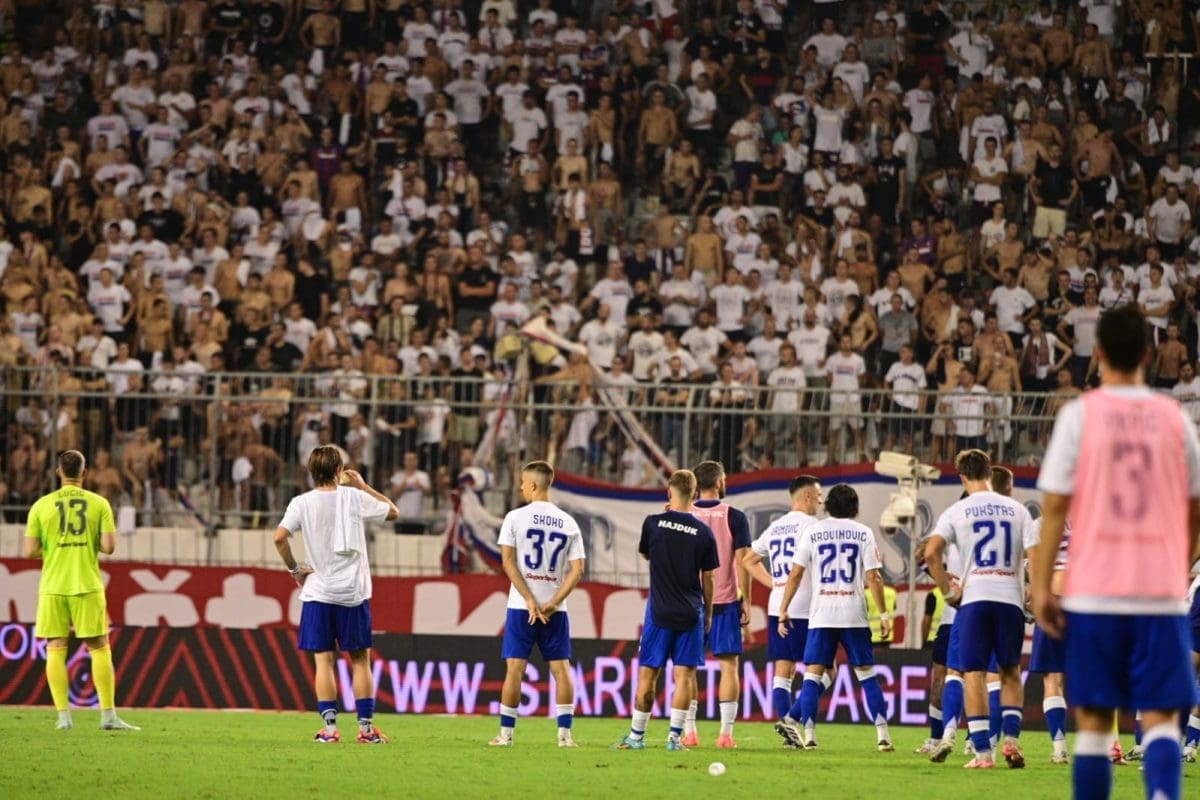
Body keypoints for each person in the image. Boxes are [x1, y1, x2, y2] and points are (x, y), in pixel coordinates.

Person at [1034, 305, 1200, 800]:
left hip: (1094, 592)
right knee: (1163, 716)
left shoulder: (1079, 416)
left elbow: (1056, 508)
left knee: (1093, 724)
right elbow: (1196, 507)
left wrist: (1042, 587)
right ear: (1150, 354)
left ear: (1098, 353)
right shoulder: (1175, 418)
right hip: (1160, 592)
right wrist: (1181, 564)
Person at [273, 445, 399, 744]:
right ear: (340, 470)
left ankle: (329, 731)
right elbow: (393, 512)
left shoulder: (301, 502)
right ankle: (366, 731)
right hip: (352, 592)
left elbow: (279, 537)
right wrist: (362, 485)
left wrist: (295, 568)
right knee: (360, 660)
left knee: (324, 661)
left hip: (318, 592)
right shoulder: (354, 497)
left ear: (311, 471)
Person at [926, 449, 1036, 769]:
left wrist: (948, 594)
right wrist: (1035, 592)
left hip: (974, 600)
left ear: (962, 477)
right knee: (1010, 671)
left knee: (972, 673)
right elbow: (1036, 556)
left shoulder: (957, 510)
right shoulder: (1018, 510)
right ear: (991, 472)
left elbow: (932, 554)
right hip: (1010, 600)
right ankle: (1012, 742)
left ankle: (983, 755)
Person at [24, 450, 139, 731]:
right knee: (99, 647)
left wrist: (55, 547)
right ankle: (108, 716)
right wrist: (87, 542)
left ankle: (64, 718)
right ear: (84, 473)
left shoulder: (41, 506)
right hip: (86, 584)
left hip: (53, 587)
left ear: (58, 472)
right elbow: (110, 547)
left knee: (55, 648)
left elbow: (29, 552)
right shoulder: (99, 504)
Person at [775, 484, 894, 752]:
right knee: (867, 676)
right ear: (854, 507)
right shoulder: (863, 533)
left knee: (812, 677)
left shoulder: (813, 532)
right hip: (853, 613)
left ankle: (809, 735)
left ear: (827, 505)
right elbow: (873, 577)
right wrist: (884, 613)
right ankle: (883, 736)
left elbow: (795, 574)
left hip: (822, 614)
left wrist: (784, 608)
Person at [614, 469, 718, 752]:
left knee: (649, 675)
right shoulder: (704, 532)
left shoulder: (653, 523)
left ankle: (636, 737)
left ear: (668, 492)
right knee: (684, 678)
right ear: (696, 495)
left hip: (659, 613)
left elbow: (648, 553)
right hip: (690, 613)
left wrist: (665, 519)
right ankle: (674, 739)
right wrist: (707, 613)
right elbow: (708, 578)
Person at [490, 461, 585, 748]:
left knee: (515, 669)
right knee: (562, 669)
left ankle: (506, 736)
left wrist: (530, 599)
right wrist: (553, 602)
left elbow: (507, 562)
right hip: (555, 611)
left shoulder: (515, 517)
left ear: (532, 485)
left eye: (522, 482)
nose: (520, 487)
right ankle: (565, 737)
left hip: (522, 607)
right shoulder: (568, 522)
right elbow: (578, 569)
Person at [743, 475, 825, 724]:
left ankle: (787, 728)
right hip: (805, 605)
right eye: (819, 496)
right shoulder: (813, 525)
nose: (821, 502)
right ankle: (792, 720)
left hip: (778, 604)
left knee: (783, 669)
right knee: (825, 668)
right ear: (808, 496)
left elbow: (747, 560)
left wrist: (774, 584)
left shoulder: (776, 526)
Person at [684, 460, 751, 748]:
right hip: (725, 601)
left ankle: (689, 732)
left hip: (690, 601)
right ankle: (725, 734)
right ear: (719, 482)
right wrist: (744, 597)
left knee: (686, 669)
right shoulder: (734, 516)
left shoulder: (683, 514)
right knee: (728, 667)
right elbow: (743, 561)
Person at [1027, 513, 1071, 764]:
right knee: (1094, 676)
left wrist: (1033, 596)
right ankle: (1110, 746)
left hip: (1055, 598)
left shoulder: (1043, 523)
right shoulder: (1093, 518)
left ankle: (1059, 747)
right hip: (1087, 602)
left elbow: (1033, 562)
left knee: (1052, 679)